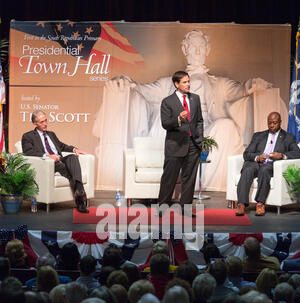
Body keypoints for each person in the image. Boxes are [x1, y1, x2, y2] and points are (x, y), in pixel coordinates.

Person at [95, 29, 285, 192]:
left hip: (206, 131)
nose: (197, 50)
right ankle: (169, 184)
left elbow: (241, 89)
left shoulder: (218, 83)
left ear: (208, 50)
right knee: (165, 123)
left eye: (201, 46)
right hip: (176, 131)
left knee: (226, 126)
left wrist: (253, 84)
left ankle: (208, 188)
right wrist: (125, 81)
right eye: (192, 46)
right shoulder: (166, 83)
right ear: (184, 49)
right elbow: (141, 89)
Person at [22, 110, 89, 213]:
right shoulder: (28, 136)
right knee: (66, 168)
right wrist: (48, 156)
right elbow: (28, 152)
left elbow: (61, 146)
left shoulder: (51, 134)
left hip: (59, 159)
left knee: (72, 157)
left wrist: (74, 150)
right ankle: (81, 202)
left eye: (46, 120)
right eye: (41, 122)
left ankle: (79, 188)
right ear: (35, 123)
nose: (45, 124)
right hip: (48, 163)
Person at [236, 111, 300, 216]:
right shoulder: (258, 136)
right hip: (257, 163)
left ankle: (260, 204)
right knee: (247, 169)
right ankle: (241, 204)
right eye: (269, 123)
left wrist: (282, 155)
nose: (271, 125)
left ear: (280, 122)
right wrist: (257, 157)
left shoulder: (288, 137)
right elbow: (246, 153)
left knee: (265, 170)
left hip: (271, 164)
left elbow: (297, 153)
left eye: (274, 123)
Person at [157, 70, 203, 216]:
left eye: (189, 81)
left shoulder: (195, 99)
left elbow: (200, 120)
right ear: (176, 84)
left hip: (193, 145)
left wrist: (199, 139)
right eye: (184, 82)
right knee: (169, 178)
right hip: (175, 145)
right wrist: (178, 119)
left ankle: (186, 209)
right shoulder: (167, 101)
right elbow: (165, 124)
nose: (188, 84)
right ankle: (163, 207)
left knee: (189, 179)